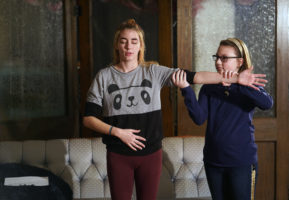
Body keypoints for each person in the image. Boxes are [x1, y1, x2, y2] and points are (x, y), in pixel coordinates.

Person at [83, 19, 267, 200]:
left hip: (153, 153)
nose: (128, 46)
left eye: (134, 41)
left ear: (141, 46)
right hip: (119, 152)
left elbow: (195, 76)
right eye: (123, 41)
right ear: (116, 45)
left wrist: (237, 80)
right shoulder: (104, 77)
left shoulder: (153, 72)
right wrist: (118, 132)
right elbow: (88, 118)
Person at [172, 38, 273, 200]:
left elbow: (267, 103)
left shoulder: (248, 83)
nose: (218, 62)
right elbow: (199, 118)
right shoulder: (209, 87)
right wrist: (186, 89)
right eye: (217, 57)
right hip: (213, 161)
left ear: (239, 61)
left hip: (242, 162)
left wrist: (240, 84)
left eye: (224, 58)